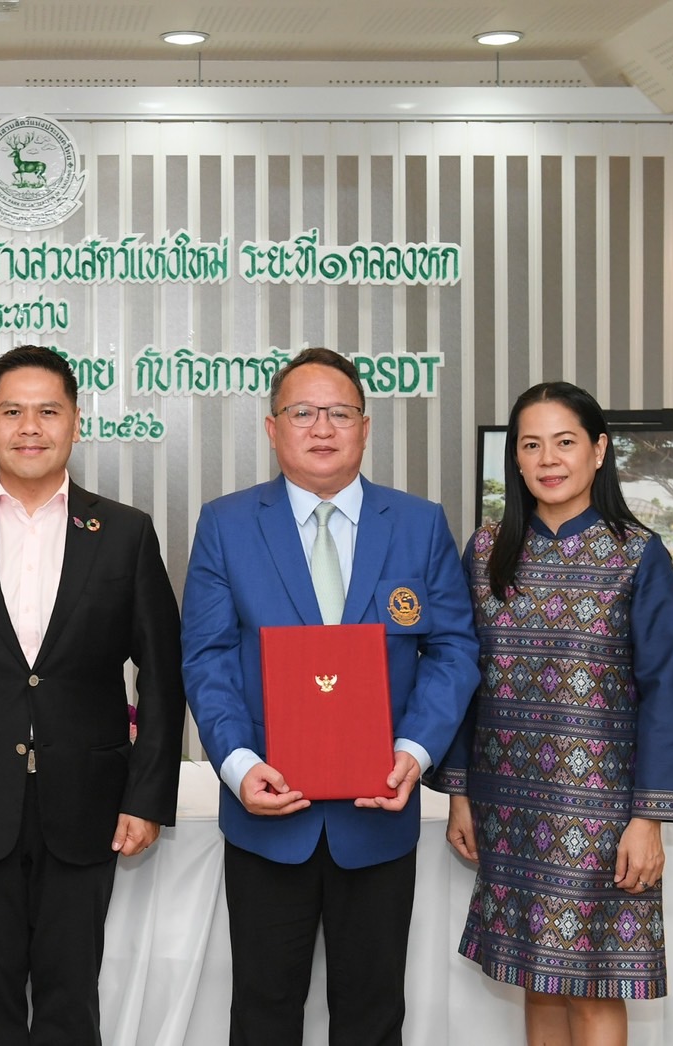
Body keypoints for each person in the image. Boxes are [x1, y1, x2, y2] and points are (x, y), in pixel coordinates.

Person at [0, 345, 185, 1045]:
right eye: (12, 411)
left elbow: (163, 677)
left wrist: (146, 798)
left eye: (48, 411)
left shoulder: (125, 534)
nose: (29, 427)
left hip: (86, 804)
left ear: (76, 422)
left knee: (70, 1006)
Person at [180, 346, 480, 1045]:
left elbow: (453, 649)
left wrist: (414, 752)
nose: (322, 428)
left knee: (373, 1016)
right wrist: (238, 766)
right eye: (302, 413)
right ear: (272, 427)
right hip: (266, 814)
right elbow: (208, 656)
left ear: (365, 428)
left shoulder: (418, 524)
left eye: (340, 413)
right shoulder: (226, 524)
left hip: (378, 813)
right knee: (263, 1014)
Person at [437, 382, 673, 1045]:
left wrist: (649, 818)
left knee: (593, 984)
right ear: (516, 459)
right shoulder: (485, 552)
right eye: (531, 445)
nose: (548, 460)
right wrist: (460, 793)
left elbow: (666, 690)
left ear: (599, 450)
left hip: (602, 812)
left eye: (564, 442)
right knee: (540, 978)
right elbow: (462, 677)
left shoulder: (637, 554)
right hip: (509, 805)